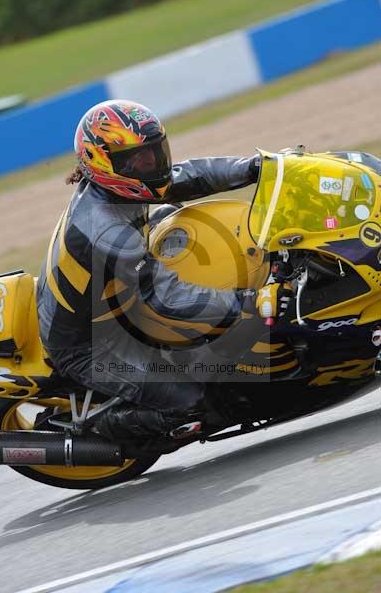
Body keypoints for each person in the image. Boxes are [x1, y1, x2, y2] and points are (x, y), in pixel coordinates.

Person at [36, 99, 292, 443]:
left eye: (154, 152)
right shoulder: (103, 228)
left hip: (114, 297)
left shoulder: (123, 183)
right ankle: (98, 431)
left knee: (172, 213)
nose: (150, 163)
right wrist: (253, 302)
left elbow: (191, 175)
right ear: (103, 162)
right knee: (189, 401)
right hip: (88, 343)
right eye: (135, 158)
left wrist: (254, 167)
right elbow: (164, 296)